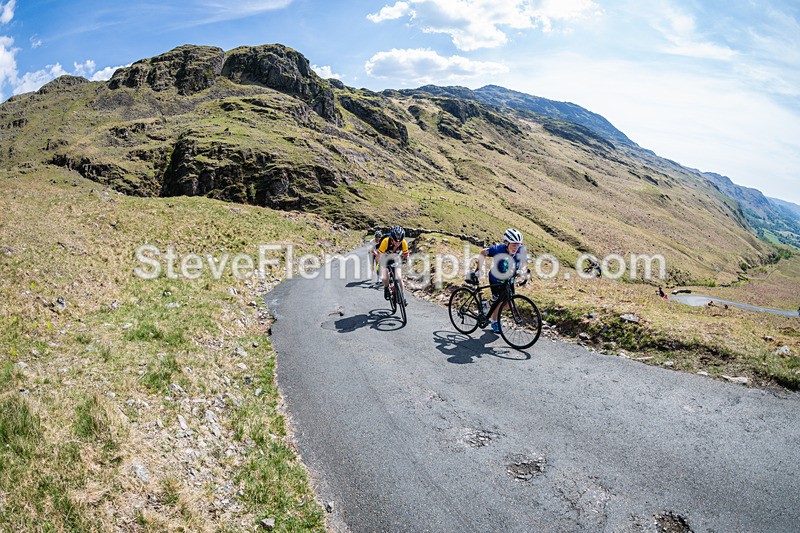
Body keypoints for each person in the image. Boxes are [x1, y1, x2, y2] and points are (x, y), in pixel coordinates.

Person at [474, 228, 528, 334]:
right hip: (496, 279)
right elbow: (482, 252)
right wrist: (479, 269)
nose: (516, 247)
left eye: (518, 245)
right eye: (513, 245)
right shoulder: (498, 249)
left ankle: (488, 305)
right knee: (499, 301)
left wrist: (523, 270)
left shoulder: (521, 250)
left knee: (508, 304)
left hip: (509, 280)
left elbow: (525, 262)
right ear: (506, 243)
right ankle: (495, 321)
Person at [376, 225, 410, 304]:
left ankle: (402, 297)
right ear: (392, 238)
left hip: (395, 259)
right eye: (396, 241)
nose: (398, 243)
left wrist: (407, 260)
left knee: (399, 277)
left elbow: (406, 254)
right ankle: (386, 287)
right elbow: (378, 256)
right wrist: (378, 267)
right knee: (385, 276)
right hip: (384, 259)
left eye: (400, 241)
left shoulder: (403, 242)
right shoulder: (385, 242)